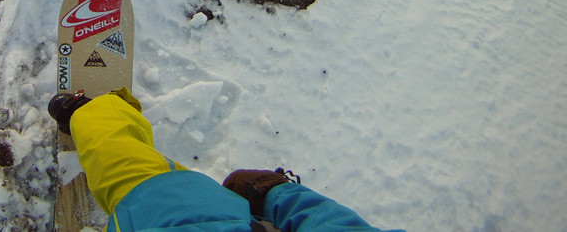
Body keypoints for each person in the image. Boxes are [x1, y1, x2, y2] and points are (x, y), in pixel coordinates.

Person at [49, 88, 405, 232]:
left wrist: (276, 194)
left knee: (132, 170)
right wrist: (276, 195)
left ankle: (92, 113)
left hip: (186, 220)